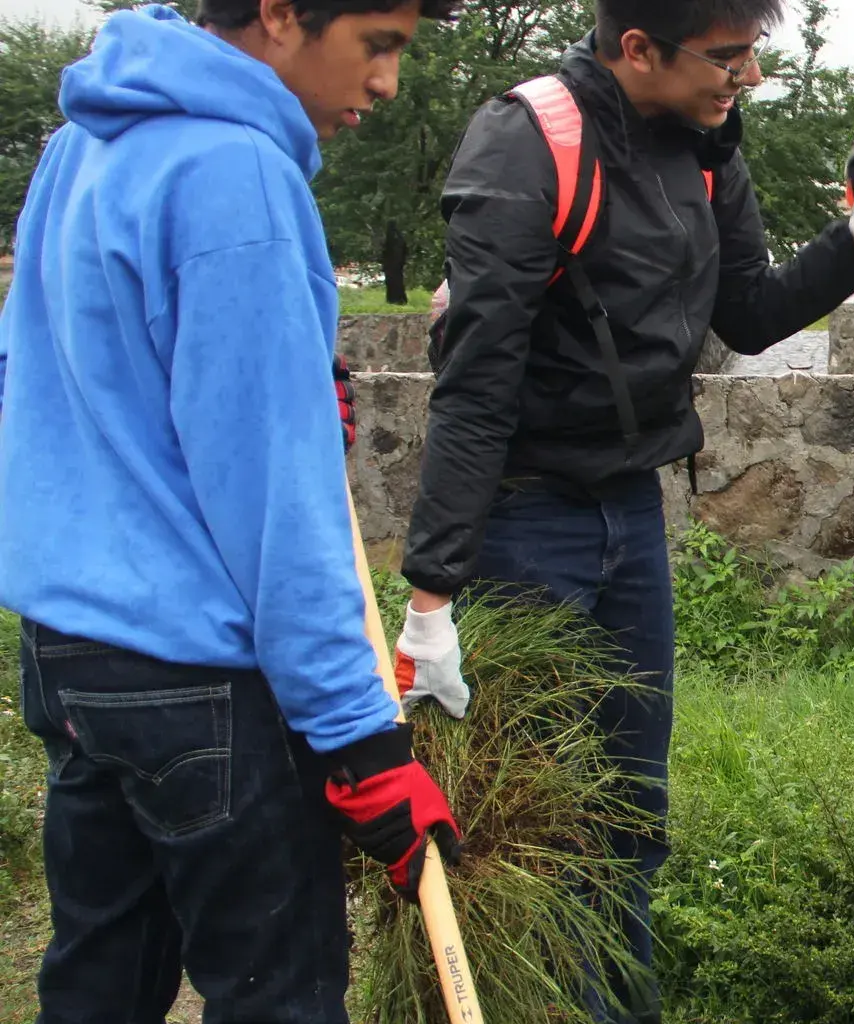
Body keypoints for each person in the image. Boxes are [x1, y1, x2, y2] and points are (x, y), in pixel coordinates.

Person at [391, 0, 854, 1018]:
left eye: (754, 51)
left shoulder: (705, 142)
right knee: (549, 822)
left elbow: (749, 311)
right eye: (729, 56)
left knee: (631, 815)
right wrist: (431, 597)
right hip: (524, 522)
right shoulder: (529, 142)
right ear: (638, 48)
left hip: (629, 510)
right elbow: (478, 380)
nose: (748, 76)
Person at [0, 1, 464, 1022]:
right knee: (276, 995)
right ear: (281, 13)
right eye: (378, 44)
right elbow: (278, 510)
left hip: (69, 658)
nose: (387, 82)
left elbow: (34, 376)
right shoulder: (236, 172)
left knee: (99, 986)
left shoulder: (79, 144)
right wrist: (361, 742)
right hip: (200, 681)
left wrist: (283, 378)